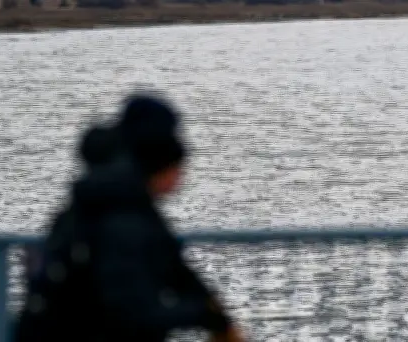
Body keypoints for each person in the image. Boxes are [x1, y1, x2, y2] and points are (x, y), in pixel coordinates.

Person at [13, 94, 245, 342]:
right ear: (165, 167)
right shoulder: (124, 216)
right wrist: (206, 316)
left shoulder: (112, 199)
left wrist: (210, 310)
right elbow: (131, 311)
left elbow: (172, 265)